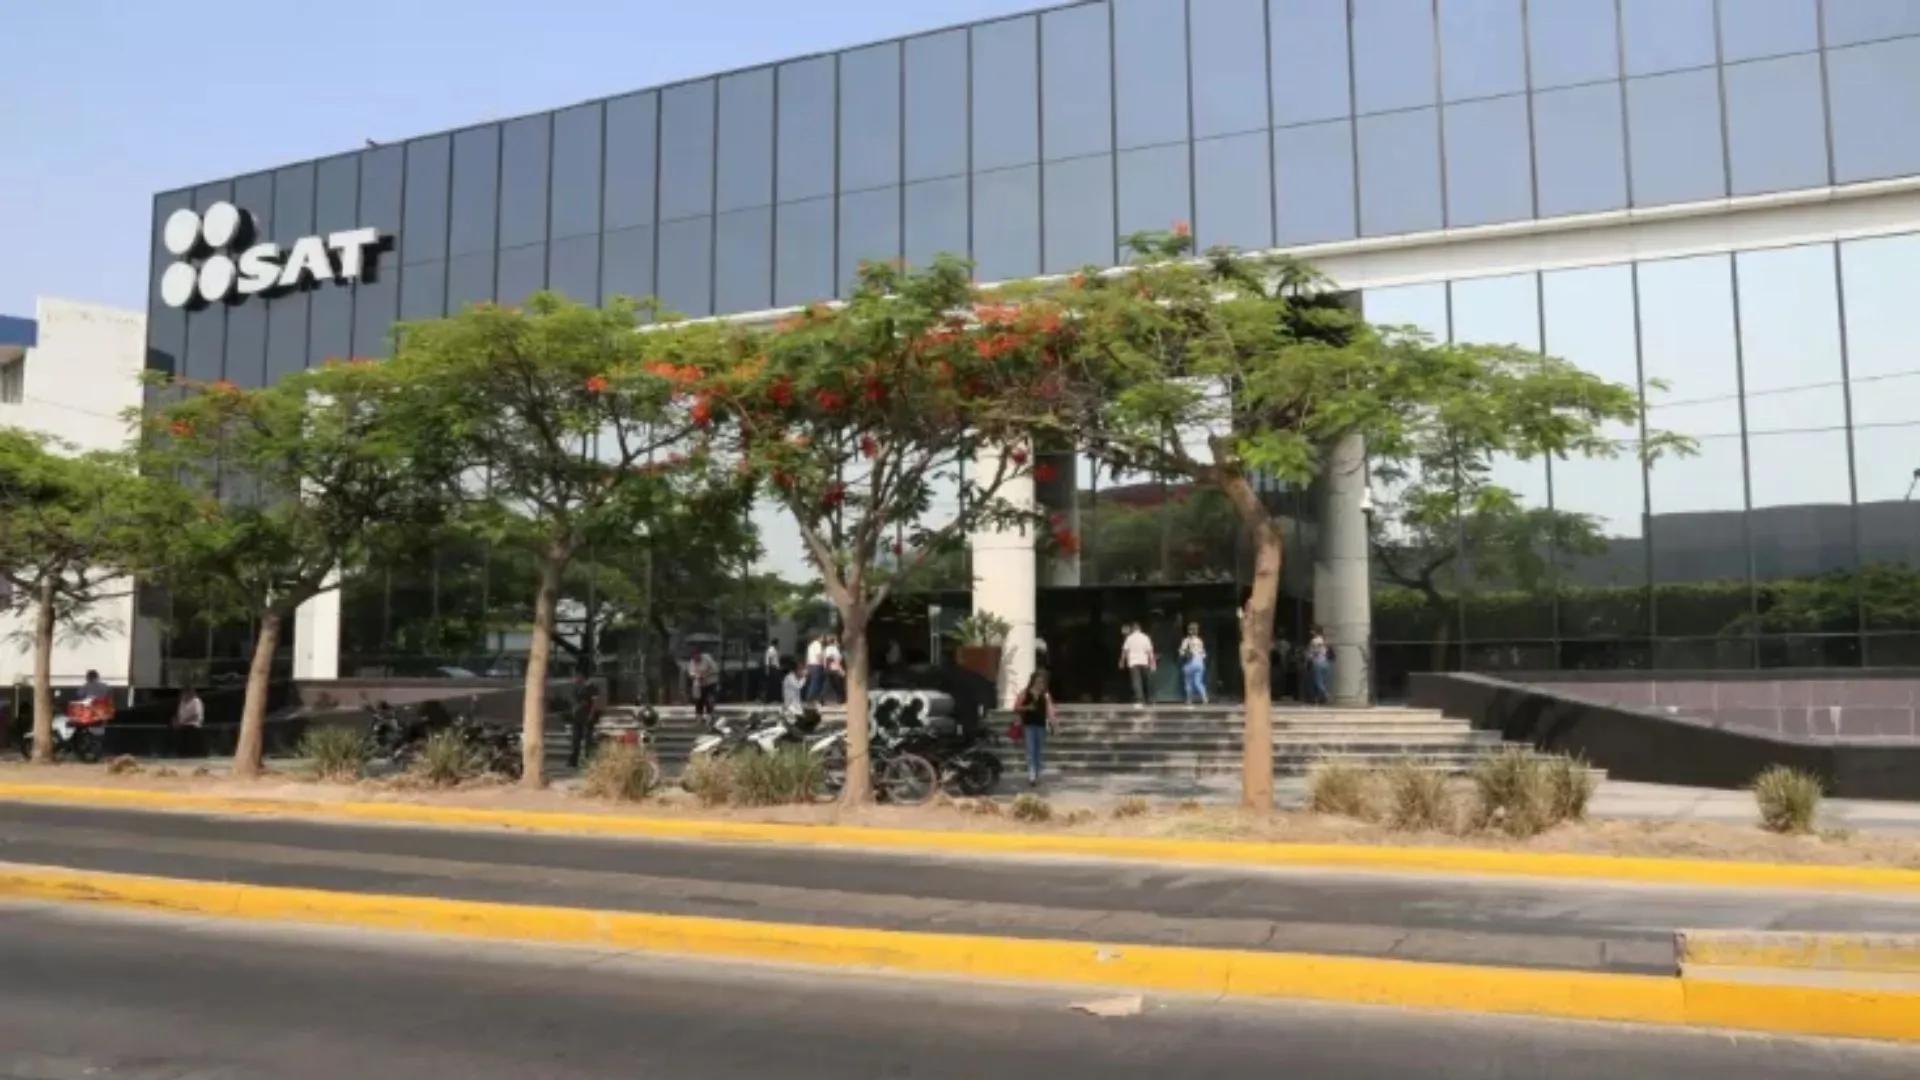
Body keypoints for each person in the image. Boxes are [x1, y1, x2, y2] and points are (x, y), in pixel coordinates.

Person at [1012, 671, 1056, 787]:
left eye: (1042, 681)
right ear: (1033, 681)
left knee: (1039, 750)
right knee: (1031, 750)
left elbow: (1049, 710)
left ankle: (1037, 772)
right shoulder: (1026, 693)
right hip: (1029, 725)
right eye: (1038, 681)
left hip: (1041, 725)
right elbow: (1016, 707)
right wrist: (1027, 707)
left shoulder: (1045, 695)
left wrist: (1053, 723)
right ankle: (1032, 774)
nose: (1040, 683)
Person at [565, 672, 601, 769]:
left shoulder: (592, 688)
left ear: (581, 676)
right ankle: (573, 760)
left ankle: (588, 760)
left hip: (588, 716)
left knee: (588, 739)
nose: (574, 679)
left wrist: (591, 714)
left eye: (576, 677)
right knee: (575, 739)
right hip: (577, 717)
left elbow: (595, 703)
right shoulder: (577, 688)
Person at [1119, 623, 1156, 707]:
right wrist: (1153, 663)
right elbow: (1150, 651)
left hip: (1133, 662)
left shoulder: (1129, 638)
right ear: (1140, 629)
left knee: (1136, 681)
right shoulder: (1145, 637)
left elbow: (1125, 651)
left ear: (1133, 629)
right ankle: (1149, 698)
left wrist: (1122, 661)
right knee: (1146, 680)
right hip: (1144, 661)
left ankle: (1139, 698)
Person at [171, 686, 205, 758]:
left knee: (187, 730)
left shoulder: (196, 701)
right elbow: (179, 714)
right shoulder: (182, 702)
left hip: (193, 724)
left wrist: (183, 722)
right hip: (182, 724)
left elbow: (195, 715)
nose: (183, 695)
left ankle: (188, 753)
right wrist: (176, 721)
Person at [1178, 623, 1208, 706]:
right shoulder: (1200, 641)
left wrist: (1182, 655)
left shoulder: (1186, 640)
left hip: (1190, 662)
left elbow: (1182, 652)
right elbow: (1204, 654)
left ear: (1189, 631)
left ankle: (1189, 700)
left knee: (1188, 682)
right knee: (1198, 681)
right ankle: (1204, 697)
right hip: (1200, 662)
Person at [687, 647, 721, 720]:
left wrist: (707, 674)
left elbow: (715, 669)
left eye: (697, 656)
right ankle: (699, 715)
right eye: (694, 656)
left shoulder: (707, 658)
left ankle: (710, 714)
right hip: (700, 683)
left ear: (700, 654)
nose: (696, 658)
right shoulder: (692, 662)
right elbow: (691, 672)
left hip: (710, 681)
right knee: (699, 699)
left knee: (709, 699)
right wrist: (697, 676)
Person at [1307, 625, 1332, 705]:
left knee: (1318, 681)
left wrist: (1308, 660)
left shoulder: (1314, 641)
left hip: (1317, 662)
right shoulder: (1325, 640)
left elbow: (1311, 653)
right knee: (1325, 681)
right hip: (1325, 661)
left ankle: (1324, 695)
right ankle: (1323, 697)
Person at [803, 634, 827, 703]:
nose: (824, 640)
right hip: (817, 665)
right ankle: (811, 698)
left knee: (813, 682)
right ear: (820, 637)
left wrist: (807, 666)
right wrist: (823, 665)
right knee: (817, 683)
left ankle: (814, 698)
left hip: (811, 665)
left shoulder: (810, 645)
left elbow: (808, 657)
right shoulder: (818, 645)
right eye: (823, 638)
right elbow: (819, 656)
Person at [822, 635, 844, 704]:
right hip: (833, 669)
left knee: (835, 685)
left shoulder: (835, 649)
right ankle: (821, 698)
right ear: (833, 642)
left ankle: (840, 698)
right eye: (836, 641)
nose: (838, 643)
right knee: (834, 684)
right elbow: (829, 658)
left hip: (834, 668)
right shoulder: (831, 648)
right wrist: (828, 667)